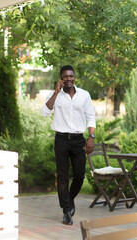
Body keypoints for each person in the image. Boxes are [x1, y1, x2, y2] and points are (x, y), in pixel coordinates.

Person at [41, 65, 96, 225]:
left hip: (79, 140)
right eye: (65, 76)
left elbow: (91, 117)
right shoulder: (54, 95)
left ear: (74, 77)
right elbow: (44, 112)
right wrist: (56, 92)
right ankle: (66, 211)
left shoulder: (84, 95)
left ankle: (68, 200)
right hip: (61, 140)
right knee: (63, 176)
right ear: (61, 78)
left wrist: (91, 136)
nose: (68, 79)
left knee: (79, 175)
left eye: (71, 76)